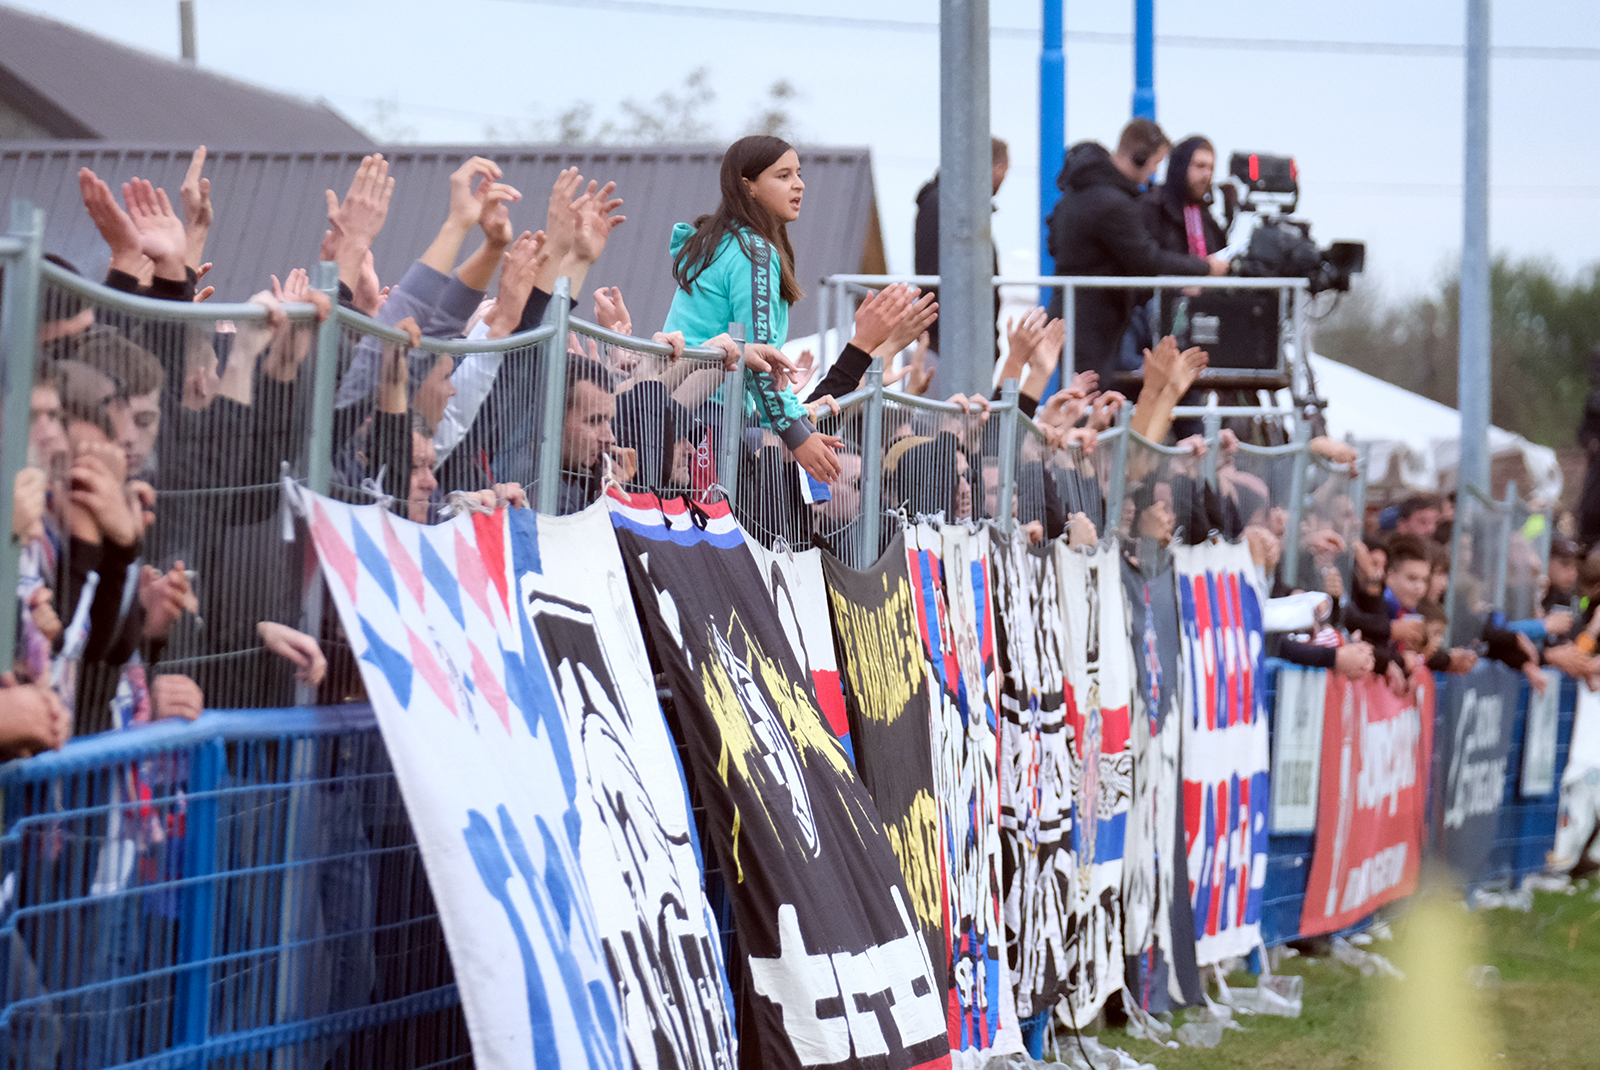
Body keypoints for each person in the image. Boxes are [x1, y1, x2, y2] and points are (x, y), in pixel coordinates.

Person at [662, 135, 841, 485]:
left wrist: (797, 417)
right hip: (707, 422)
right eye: (783, 175)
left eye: (798, 174)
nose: (799, 184)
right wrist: (797, 435)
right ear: (749, 187)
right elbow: (758, 361)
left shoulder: (722, 242)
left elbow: (754, 361)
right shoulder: (753, 251)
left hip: (681, 412)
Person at [1045, 119, 1227, 383]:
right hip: (1092, 325)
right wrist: (1205, 268)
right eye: (1155, 163)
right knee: (1089, 402)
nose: (1153, 172)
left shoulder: (1080, 193)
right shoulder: (1114, 204)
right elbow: (1147, 259)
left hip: (1076, 318)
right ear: (1140, 157)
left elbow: (1054, 244)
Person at [912, 136, 1008, 358]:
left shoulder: (943, 203)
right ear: (996, 167)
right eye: (1003, 169)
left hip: (952, 333)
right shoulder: (946, 205)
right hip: (952, 337)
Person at [1142, 136, 1227, 260]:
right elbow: (1150, 259)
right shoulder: (1154, 207)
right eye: (1200, 166)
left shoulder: (1206, 217)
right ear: (1181, 166)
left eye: (1211, 168)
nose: (1207, 175)